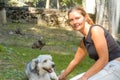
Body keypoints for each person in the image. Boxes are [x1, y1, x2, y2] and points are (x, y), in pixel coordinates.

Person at [58, 6, 120, 80]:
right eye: (71, 20)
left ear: (85, 17)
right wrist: (62, 76)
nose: (74, 22)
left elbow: (104, 59)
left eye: (77, 18)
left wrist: (84, 77)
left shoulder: (95, 30)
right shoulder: (84, 41)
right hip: (105, 68)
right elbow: (75, 61)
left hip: (116, 66)